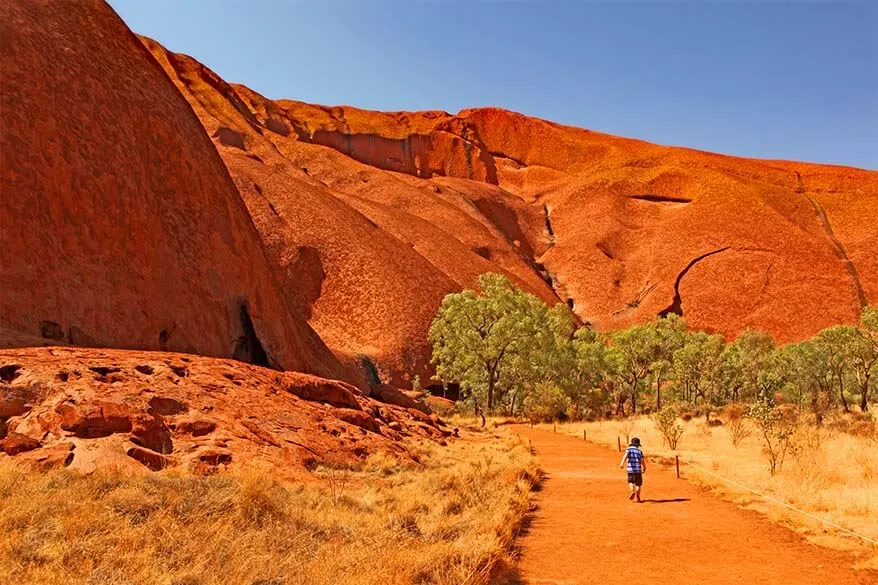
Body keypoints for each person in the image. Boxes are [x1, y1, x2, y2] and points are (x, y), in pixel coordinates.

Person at [619, 437, 646, 502]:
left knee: (630, 481)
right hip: (638, 470)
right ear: (638, 444)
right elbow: (642, 460)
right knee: (638, 484)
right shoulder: (639, 451)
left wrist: (622, 463)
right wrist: (644, 467)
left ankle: (632, 491)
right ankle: (638, 497)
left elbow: (625, 456)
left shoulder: (628, 449)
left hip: (630, 469)